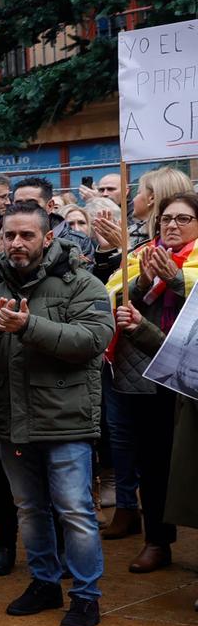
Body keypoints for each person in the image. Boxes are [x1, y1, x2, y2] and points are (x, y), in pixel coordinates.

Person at [0, 204, 114, 626]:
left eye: (27, 235)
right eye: (9, 235)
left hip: (65, 417)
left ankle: (86, 597)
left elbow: (93, 339)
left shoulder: (79, 280)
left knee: (75, 510)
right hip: (10, 417)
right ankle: (44, 583)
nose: (16, 244)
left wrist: (29, 326)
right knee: (29, 509)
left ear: (48, 237)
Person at [103, 190, 198, 573]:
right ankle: (158, 541)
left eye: (182, 219)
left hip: (191, 376)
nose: (171, 225)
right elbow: (113, 297)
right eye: (166, 219)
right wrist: (142, 283)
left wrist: (175, 281)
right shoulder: (141, 255)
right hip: (146, 372)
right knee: (154, 462)